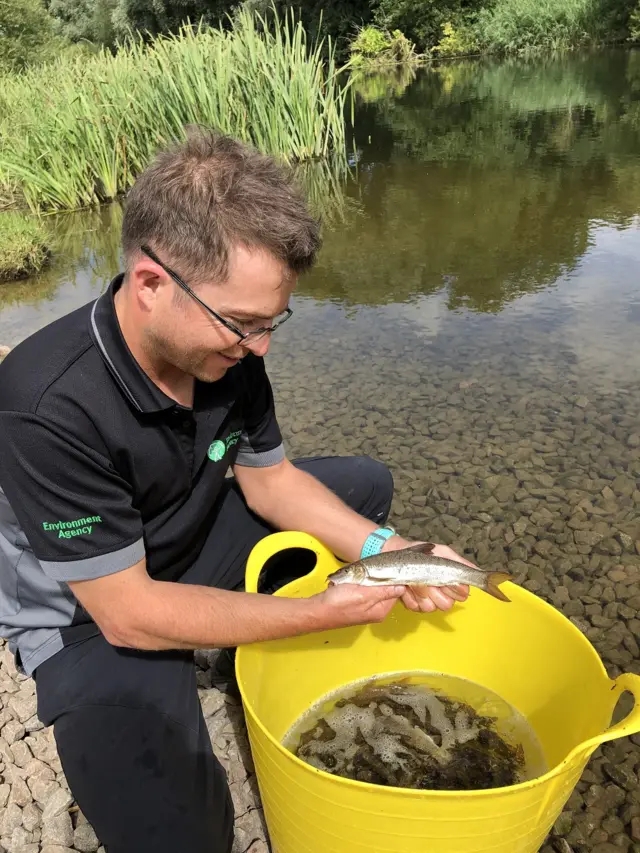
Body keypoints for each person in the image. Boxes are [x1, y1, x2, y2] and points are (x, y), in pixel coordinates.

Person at [0, 128, 472, 853]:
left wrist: (391, 549)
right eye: (243, 324)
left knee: (361, 489)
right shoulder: (47, 403)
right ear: (152, 283)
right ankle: (218, 651)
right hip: (90, 616)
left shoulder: (229, 354)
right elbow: (128, 613)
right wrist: (317, 613)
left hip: (179, 539)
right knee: (185, 836)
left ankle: (227, 640)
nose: (260, 347)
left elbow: (274, 481)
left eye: (272, 321)